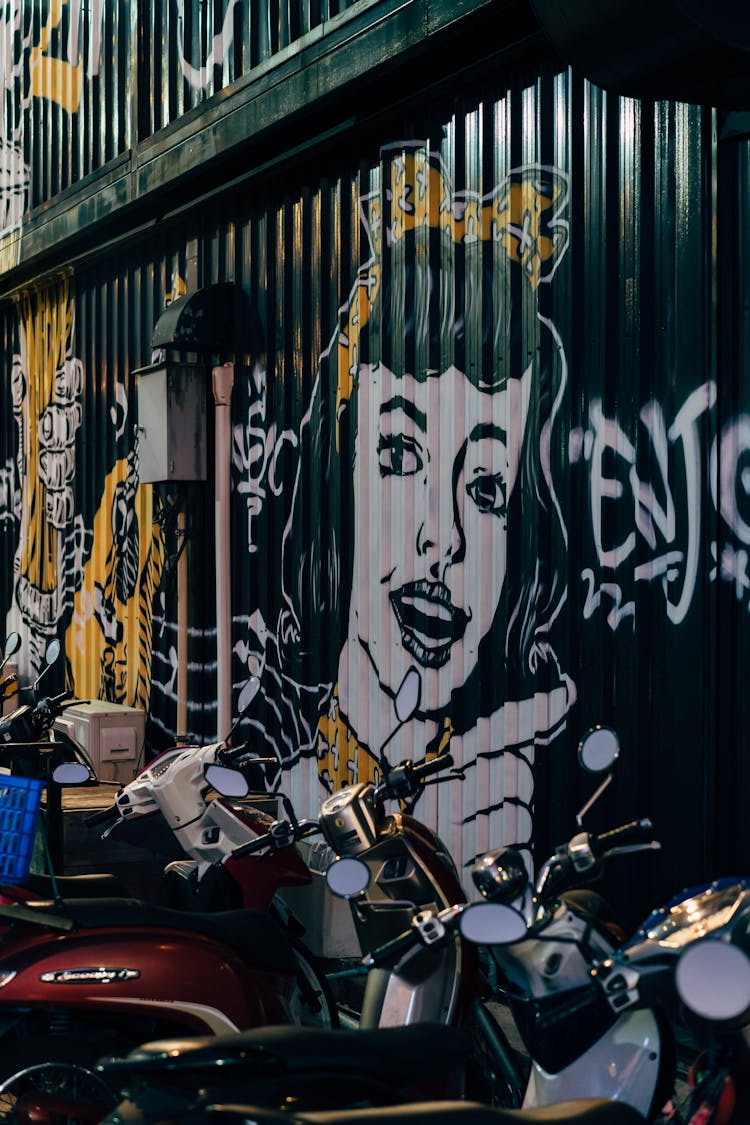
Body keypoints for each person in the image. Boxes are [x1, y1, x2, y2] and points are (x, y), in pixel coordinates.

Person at [244, 142, 574, 860]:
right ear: (342, 477)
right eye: (399, 456)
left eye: (486, 486)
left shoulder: (502, 782)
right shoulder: (280, 777)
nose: (442, 535)